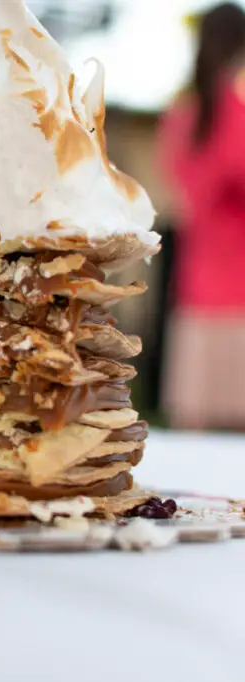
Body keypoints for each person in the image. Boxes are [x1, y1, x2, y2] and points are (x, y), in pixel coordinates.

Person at [157, 3, 245, 430]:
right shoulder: (236, 111)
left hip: (194, 296)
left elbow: (181, 187)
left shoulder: (182, 114)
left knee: (196, 450)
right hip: (237, 300)